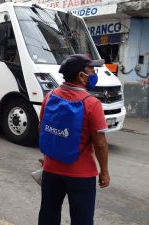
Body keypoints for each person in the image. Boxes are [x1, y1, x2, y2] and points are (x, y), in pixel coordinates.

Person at [38, 54, 110, 225]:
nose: (94, 74)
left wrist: (48, 153)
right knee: (82, 220)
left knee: (48, 215)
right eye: (92, 70)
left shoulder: (50, 96)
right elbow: (100, 144)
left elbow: (42, 128)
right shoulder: (92, 103)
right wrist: (104, 171)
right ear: (81, 76)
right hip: (81, 175)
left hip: (50, 170)